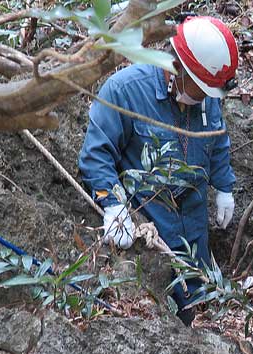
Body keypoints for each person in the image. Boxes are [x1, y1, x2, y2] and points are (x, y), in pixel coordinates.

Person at [78, 16, 238, 325]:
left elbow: (216, 141)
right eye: (202, 88)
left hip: (194, 225)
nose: (205, 96)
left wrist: (224, 187)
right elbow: (96, 153)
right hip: (152, 229)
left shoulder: (206, 99)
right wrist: (112, 204)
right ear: (177, 67)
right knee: (162, 314)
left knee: (195, 306)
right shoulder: (125, 91)